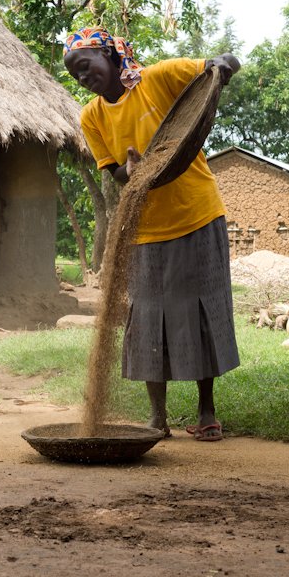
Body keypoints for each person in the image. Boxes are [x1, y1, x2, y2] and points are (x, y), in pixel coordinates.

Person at [63, 26, 241, 442]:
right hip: (143, 231)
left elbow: (225, 63)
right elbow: (118, 176)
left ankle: (207, 412)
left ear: (109, 55)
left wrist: (219, 67)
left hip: (197, 214)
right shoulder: (92, 116)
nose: (82, 77)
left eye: (85, 66)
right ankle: (157, 417)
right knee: (145, 321)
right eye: (74, 74)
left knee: (202, 312)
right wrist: (131, 167)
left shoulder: (159, 78)